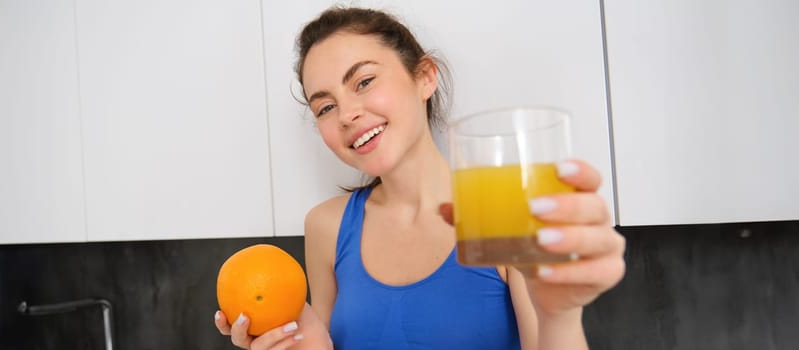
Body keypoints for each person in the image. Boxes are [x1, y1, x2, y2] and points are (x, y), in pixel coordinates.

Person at [215, 6, 625, 349]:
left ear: (424, 77)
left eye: (364, 81)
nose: (346, 115)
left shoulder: (505, 211)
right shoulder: (326, 226)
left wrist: (562, 316)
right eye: (325, 107)